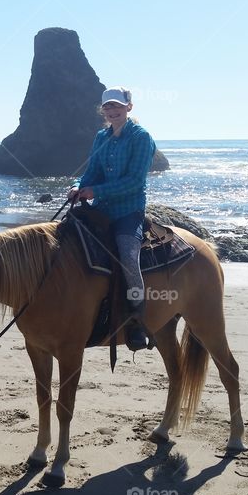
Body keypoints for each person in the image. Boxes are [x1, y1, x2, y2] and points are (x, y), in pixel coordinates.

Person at [67, 86, 156, 351]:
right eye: (108, 107)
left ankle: (137, 321)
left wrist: (97, 191)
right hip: (101, 209)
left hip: (128, 211)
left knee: (129, 258)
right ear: (103, 110)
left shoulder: (141, 138)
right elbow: (91, 171)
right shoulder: (101, 137)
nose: (112, 111)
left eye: (117, 106)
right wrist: (77, 187)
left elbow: (135, 181)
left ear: (129, 107)